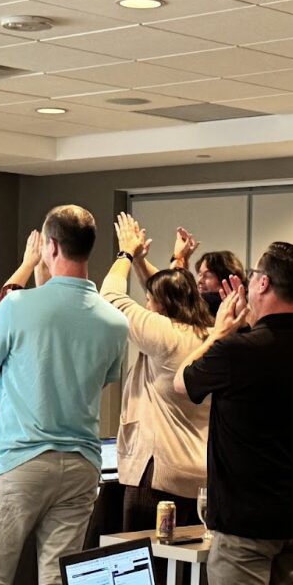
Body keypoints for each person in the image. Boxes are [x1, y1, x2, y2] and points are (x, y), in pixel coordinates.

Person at [0, 206, 129, 585]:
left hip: (19, 461)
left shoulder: (17, 305)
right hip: (81, 465)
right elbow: (104, 379)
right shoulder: (114, 322)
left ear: (50, 247)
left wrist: (24, 274)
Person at [174, 242, 293, 585]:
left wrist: (219, 331)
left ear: (262, 283)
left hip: (247, 521)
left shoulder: (236, 350)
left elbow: (182, 382)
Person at [103, 212, 212, 531]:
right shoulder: (210, 334)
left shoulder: (163, 333)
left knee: (148, 568)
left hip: (158, 475)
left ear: (160, 307)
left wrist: (124, 254)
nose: (146, 305)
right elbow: (171, 291)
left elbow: (110, 297)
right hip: (200, 474)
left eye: (149, 300)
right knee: (187, 572)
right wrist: (146, 262)